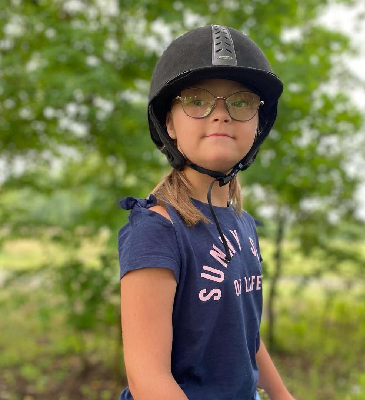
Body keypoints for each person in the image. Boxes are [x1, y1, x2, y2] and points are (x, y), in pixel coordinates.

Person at [118, 25, 295, 400]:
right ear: (169, 123)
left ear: (258, 123)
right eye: (197, 101)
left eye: (241, 102)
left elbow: (244, 335)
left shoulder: (244, 225)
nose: (221, 115)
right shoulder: (156, 230)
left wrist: (282, 396)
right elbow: (148, 380)